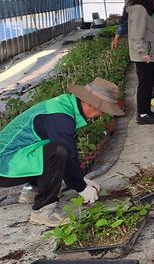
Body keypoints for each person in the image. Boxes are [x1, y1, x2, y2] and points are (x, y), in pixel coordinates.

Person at [0, 78, 124, 226]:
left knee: (55, 150)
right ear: (91, 104)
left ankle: (33, 190)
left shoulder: (66, 107)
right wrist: (82, 188)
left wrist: (80, 180)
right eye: (102, 110)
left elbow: (68, 154)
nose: (101, 115)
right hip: (5, 166)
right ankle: (43, 210)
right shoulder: (60, 117)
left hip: (15, 159)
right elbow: (65, 155)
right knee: (56, 152)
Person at [127, 0, 154, 125]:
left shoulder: (138, 8)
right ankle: (142, 114)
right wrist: (143, 52)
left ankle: (146, 111)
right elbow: (137, 34)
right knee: (144, 84)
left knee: (147, 84)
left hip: (145, 53)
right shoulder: (140, 9)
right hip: (144, 55)